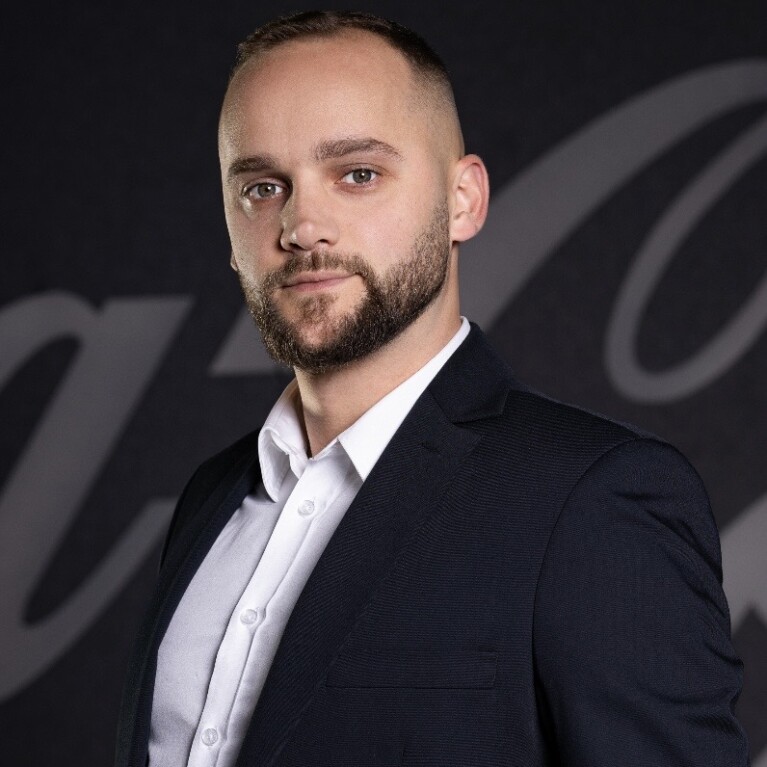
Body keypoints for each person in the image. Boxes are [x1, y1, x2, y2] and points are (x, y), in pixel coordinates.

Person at [116, 10, 749, 767]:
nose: (302, 225)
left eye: (357, 174)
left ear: (463, 200)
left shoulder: (591, 501)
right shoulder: (211, 499)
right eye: (261, 187)